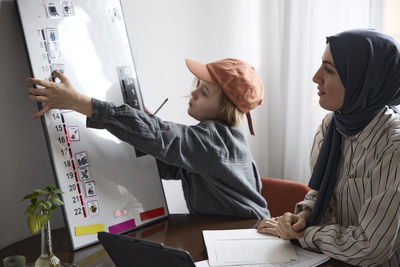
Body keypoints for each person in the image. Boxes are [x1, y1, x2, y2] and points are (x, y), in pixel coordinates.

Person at [26, 58, 270, 219]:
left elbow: (164, 139)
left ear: (226, 109)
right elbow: (169, 163)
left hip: (244, 237)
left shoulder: (214, 143)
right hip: (232, 233)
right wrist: (141, 134)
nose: (193, 93)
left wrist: (79, 102)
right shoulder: (220, 140)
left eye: (204, 92)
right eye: (197, 85)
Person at [257, 29, 400, 266]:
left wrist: (304, 235)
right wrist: (302, 216)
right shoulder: (331, 126)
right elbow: (323, 193)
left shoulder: (393, 148)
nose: (315, 77)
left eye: (329, 70)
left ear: (363, 81)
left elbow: (371, 247)